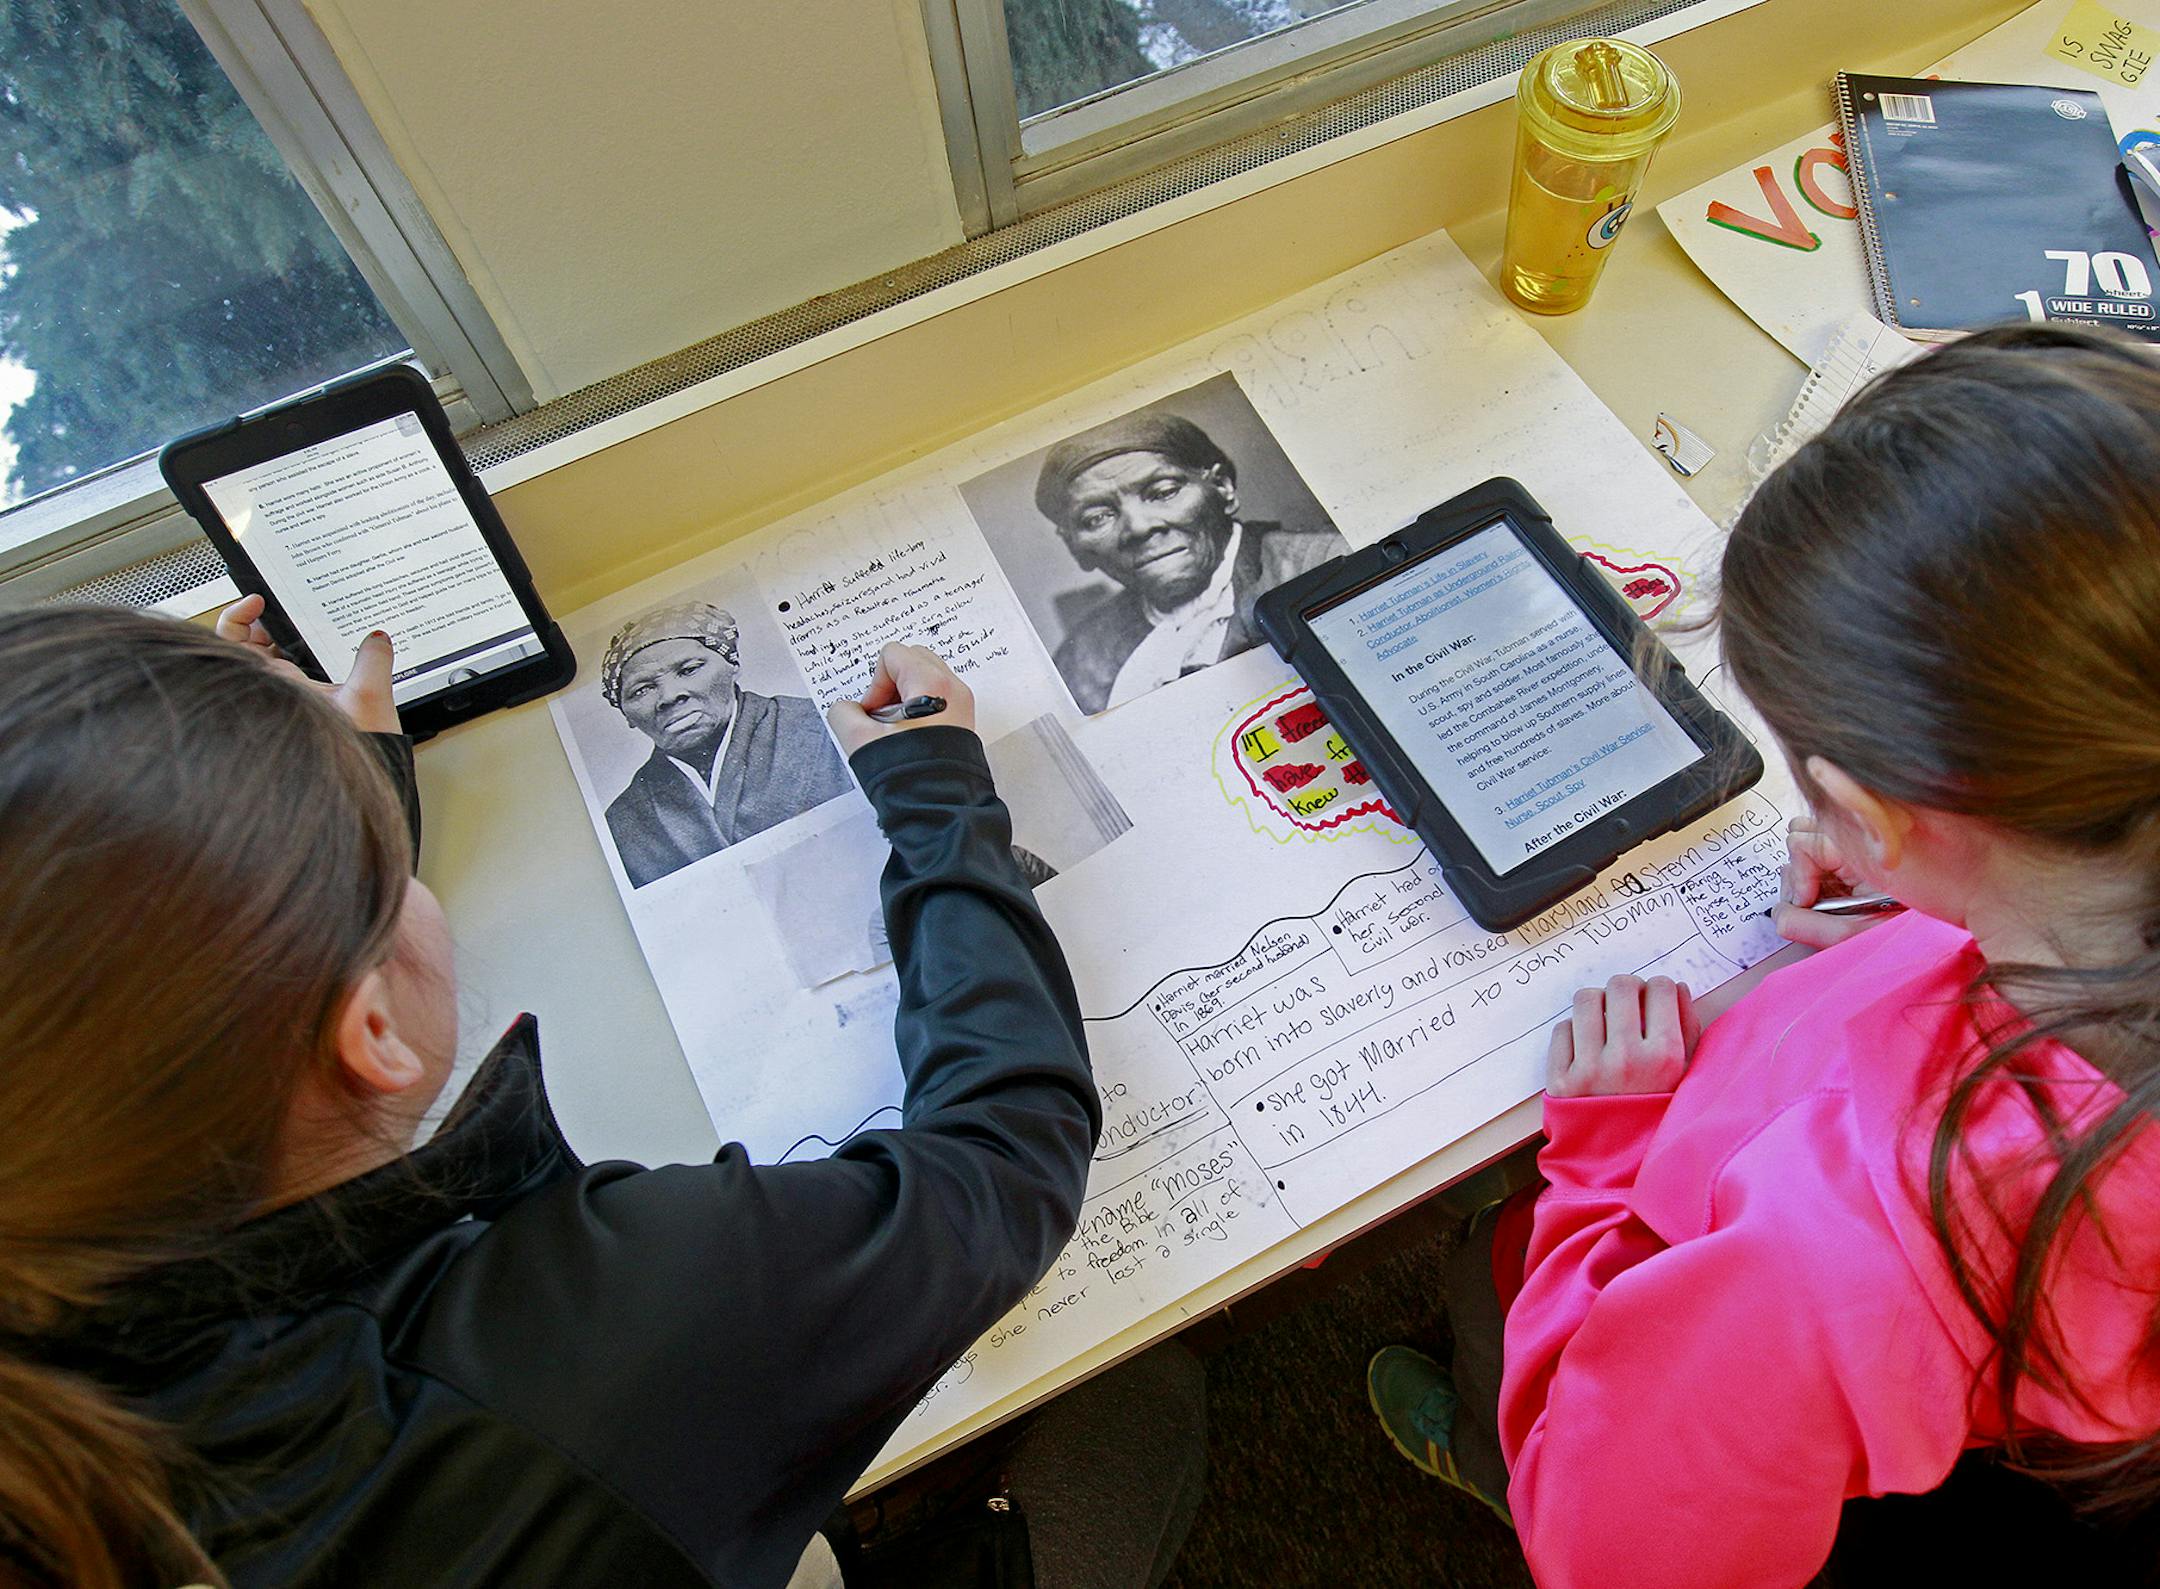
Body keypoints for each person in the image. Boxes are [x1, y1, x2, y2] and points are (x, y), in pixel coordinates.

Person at [0, 598, 1202, 1589]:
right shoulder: (602, 1332)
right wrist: (940, 799)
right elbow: (1004, 1164)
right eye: (382, 884)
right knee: (1147, 1402)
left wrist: (301, 813)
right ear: (367, 1033)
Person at [1367, 325, 2160, 1585]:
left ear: (1880, 810)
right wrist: (1936, 898)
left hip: (1701, 1327)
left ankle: (1483, 1445)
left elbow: (1613, 1556)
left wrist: (1603, 1153)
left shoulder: (1822, 1264)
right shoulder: (2095, 890)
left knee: (1484, 1254)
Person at [1031, 411, 1347, 712]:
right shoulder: (1080, 661)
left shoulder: (1324, 567)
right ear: (1075, 546)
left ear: (1222, 488)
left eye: (1163, 492)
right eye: (1098, 517)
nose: (1139, 527)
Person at [599, 600, 852, 886]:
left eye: (689, 669)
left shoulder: (818, 726)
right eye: (641, 690)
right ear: (626, 713)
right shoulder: (625, 821)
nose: (670, 696)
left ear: (733, 665)